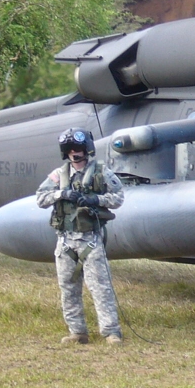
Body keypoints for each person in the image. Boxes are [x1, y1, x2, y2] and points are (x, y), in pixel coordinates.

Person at [36, 128, 125, 345]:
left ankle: (111, 331)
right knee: (68, 287)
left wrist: (96, 200)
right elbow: (40, 198)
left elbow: (118, 198)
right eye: (70, 150)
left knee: (100, 286)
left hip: (90, 240)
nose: (75, 154)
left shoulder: (101, 173)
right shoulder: (58, 176)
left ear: (87, 150)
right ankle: (77, 331)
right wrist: (61, 194)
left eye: (78, 149)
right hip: (66, 240)